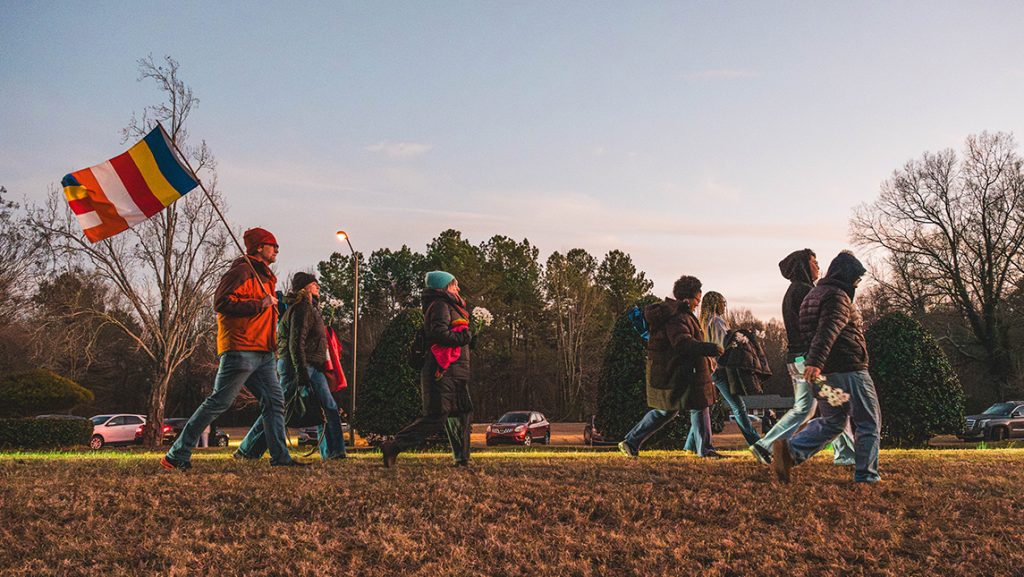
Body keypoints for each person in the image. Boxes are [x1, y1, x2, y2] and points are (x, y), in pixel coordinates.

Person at [161, 227, 301, 470]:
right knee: (219, 403)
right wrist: (260, 303)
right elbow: (221, 302)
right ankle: (176, 455)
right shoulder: (241, 271)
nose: (277, 249)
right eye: (272, 245)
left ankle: (280, 458)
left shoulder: (265, 277)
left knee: (275, 402)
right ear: (259, 248)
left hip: (264, 352)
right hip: (242, 348)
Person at [774, 251, 882, 484]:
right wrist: (815, 361)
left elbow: (808, 332)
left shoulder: (812, 295)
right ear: (846, 275)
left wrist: (814, 363)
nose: (856, 284)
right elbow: (828, 330)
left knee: (833, 421)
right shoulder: (837, 296)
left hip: (826, 375)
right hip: (849, 369)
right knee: (868, 422)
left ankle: (791, 451)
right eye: (856, 279)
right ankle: (866, 475)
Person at [749, 249, 854, 466]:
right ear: (804, 267)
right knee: (833, 402)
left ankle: (766, 445)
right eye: (814, 262)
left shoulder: (795, 291)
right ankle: (846, 454)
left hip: (797, 359)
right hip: (807, 360)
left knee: (810, 407)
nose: (818, 267)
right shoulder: (805, 292)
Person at [235, 272, 347, 461]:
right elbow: (296, 342)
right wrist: (301, 373)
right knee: (280, 408)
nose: (318, 287)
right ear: (304, 288)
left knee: (325, 406)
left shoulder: (308, 308)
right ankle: (248, 450)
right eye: (314, 284)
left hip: (308, 365)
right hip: (301, 366)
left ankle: (334, 453)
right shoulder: (302, 308)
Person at [618, 275, 722, 458]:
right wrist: (711, 349)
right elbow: (683, 344)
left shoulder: (672, 314)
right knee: (698, 405)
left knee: (667, 411)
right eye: (697, 299)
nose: (698, 304)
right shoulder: (678, 317)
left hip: (672, 372)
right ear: (687, 299)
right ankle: (705, 451)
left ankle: (631, 441)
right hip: (681, 372)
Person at [382, 271, 474, 467]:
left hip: (457, 369)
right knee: (436, 417)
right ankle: (394, 446)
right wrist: (465, 338)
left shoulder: (453, 306)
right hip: (443, 369)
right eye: (454, 284)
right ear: (444, 287)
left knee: (463, 412)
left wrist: (470, 339)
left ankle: (462, 458)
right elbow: (438, 333)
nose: (457, 288)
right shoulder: (440, 305)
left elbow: (457, 336)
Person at [700, 291, 762, 448]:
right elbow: (724, 345)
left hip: (710, 368)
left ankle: (691, 445)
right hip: (721, 368)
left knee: (704, 409)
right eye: (722, 303)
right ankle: (756, 442)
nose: (724, 306)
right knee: (738, 406)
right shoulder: (718, 322)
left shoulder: (704, 322)